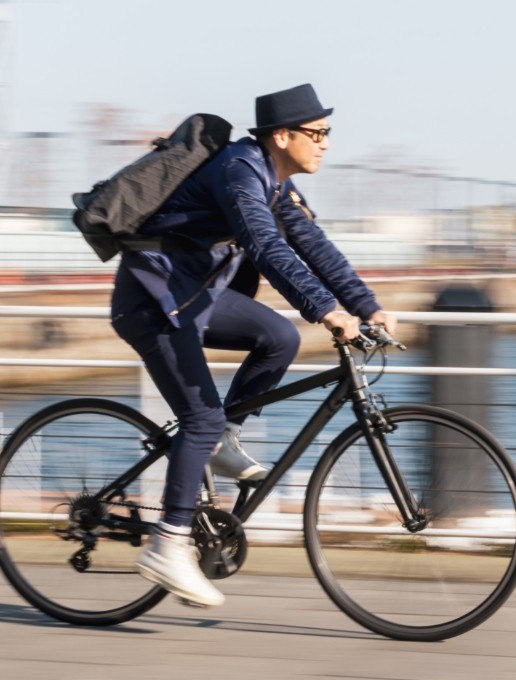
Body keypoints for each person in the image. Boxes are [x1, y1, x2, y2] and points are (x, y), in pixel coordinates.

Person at [110, 83, 397, 607]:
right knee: (199, 417)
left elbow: (313, 245)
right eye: (318, 133)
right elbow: (265, 246)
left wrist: (365, 304)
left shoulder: (275, 182)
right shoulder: (241, 171)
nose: (327, 143)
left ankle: (224, 438)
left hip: (194, 295)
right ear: (282, 136)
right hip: (154, 300)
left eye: (328, 133)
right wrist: (325, 310)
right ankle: (167, 546)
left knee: (278, 336)